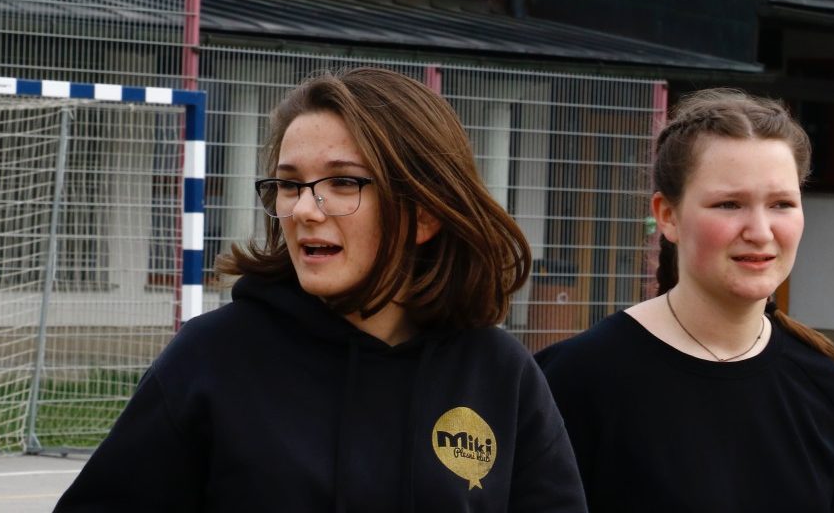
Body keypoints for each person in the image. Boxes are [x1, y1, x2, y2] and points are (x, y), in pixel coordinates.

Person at [56, 68, 587, 512]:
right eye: (290, 184)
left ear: (425, 213)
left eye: (344, 182)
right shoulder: (211, 358)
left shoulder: (498, 372)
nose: (304, 210)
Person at [535, 88, 834, 512]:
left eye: (781, 203)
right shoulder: (577, 379)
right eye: (729, 204)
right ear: (668, 215)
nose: (760, 231)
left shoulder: (822, 385)